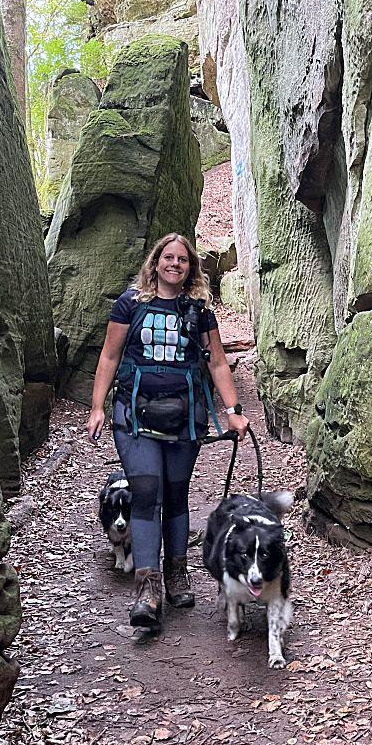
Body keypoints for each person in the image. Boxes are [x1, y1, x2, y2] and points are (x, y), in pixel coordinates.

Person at [86, 233, 250, 630]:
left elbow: (217, 364)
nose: (174, 264)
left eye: (182, 259)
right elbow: (109, 355)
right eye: (168, 257)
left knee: (176, 495)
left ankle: (177, 572)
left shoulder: (199, 312)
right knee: (145, 494)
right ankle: (147, 588)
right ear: (155, 262)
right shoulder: (130, 304)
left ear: (190, 267)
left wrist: (233, 411)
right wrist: (96, 407)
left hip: (185, 417)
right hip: (135, 417)